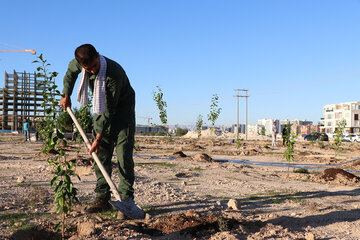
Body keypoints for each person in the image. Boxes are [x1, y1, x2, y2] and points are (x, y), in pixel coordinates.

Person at [59, 44, 144, 218]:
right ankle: (102, 197)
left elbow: (108, 110)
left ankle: (126, 200)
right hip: (103, 112)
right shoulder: (80, 64)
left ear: (98, 56)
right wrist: (66, 94)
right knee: (101, 156)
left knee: (123, 157)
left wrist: (97, 137)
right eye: (87, 69)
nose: (91, 71)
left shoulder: (114, 73)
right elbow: (70, 73)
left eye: (94, 67)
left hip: (122, 114)